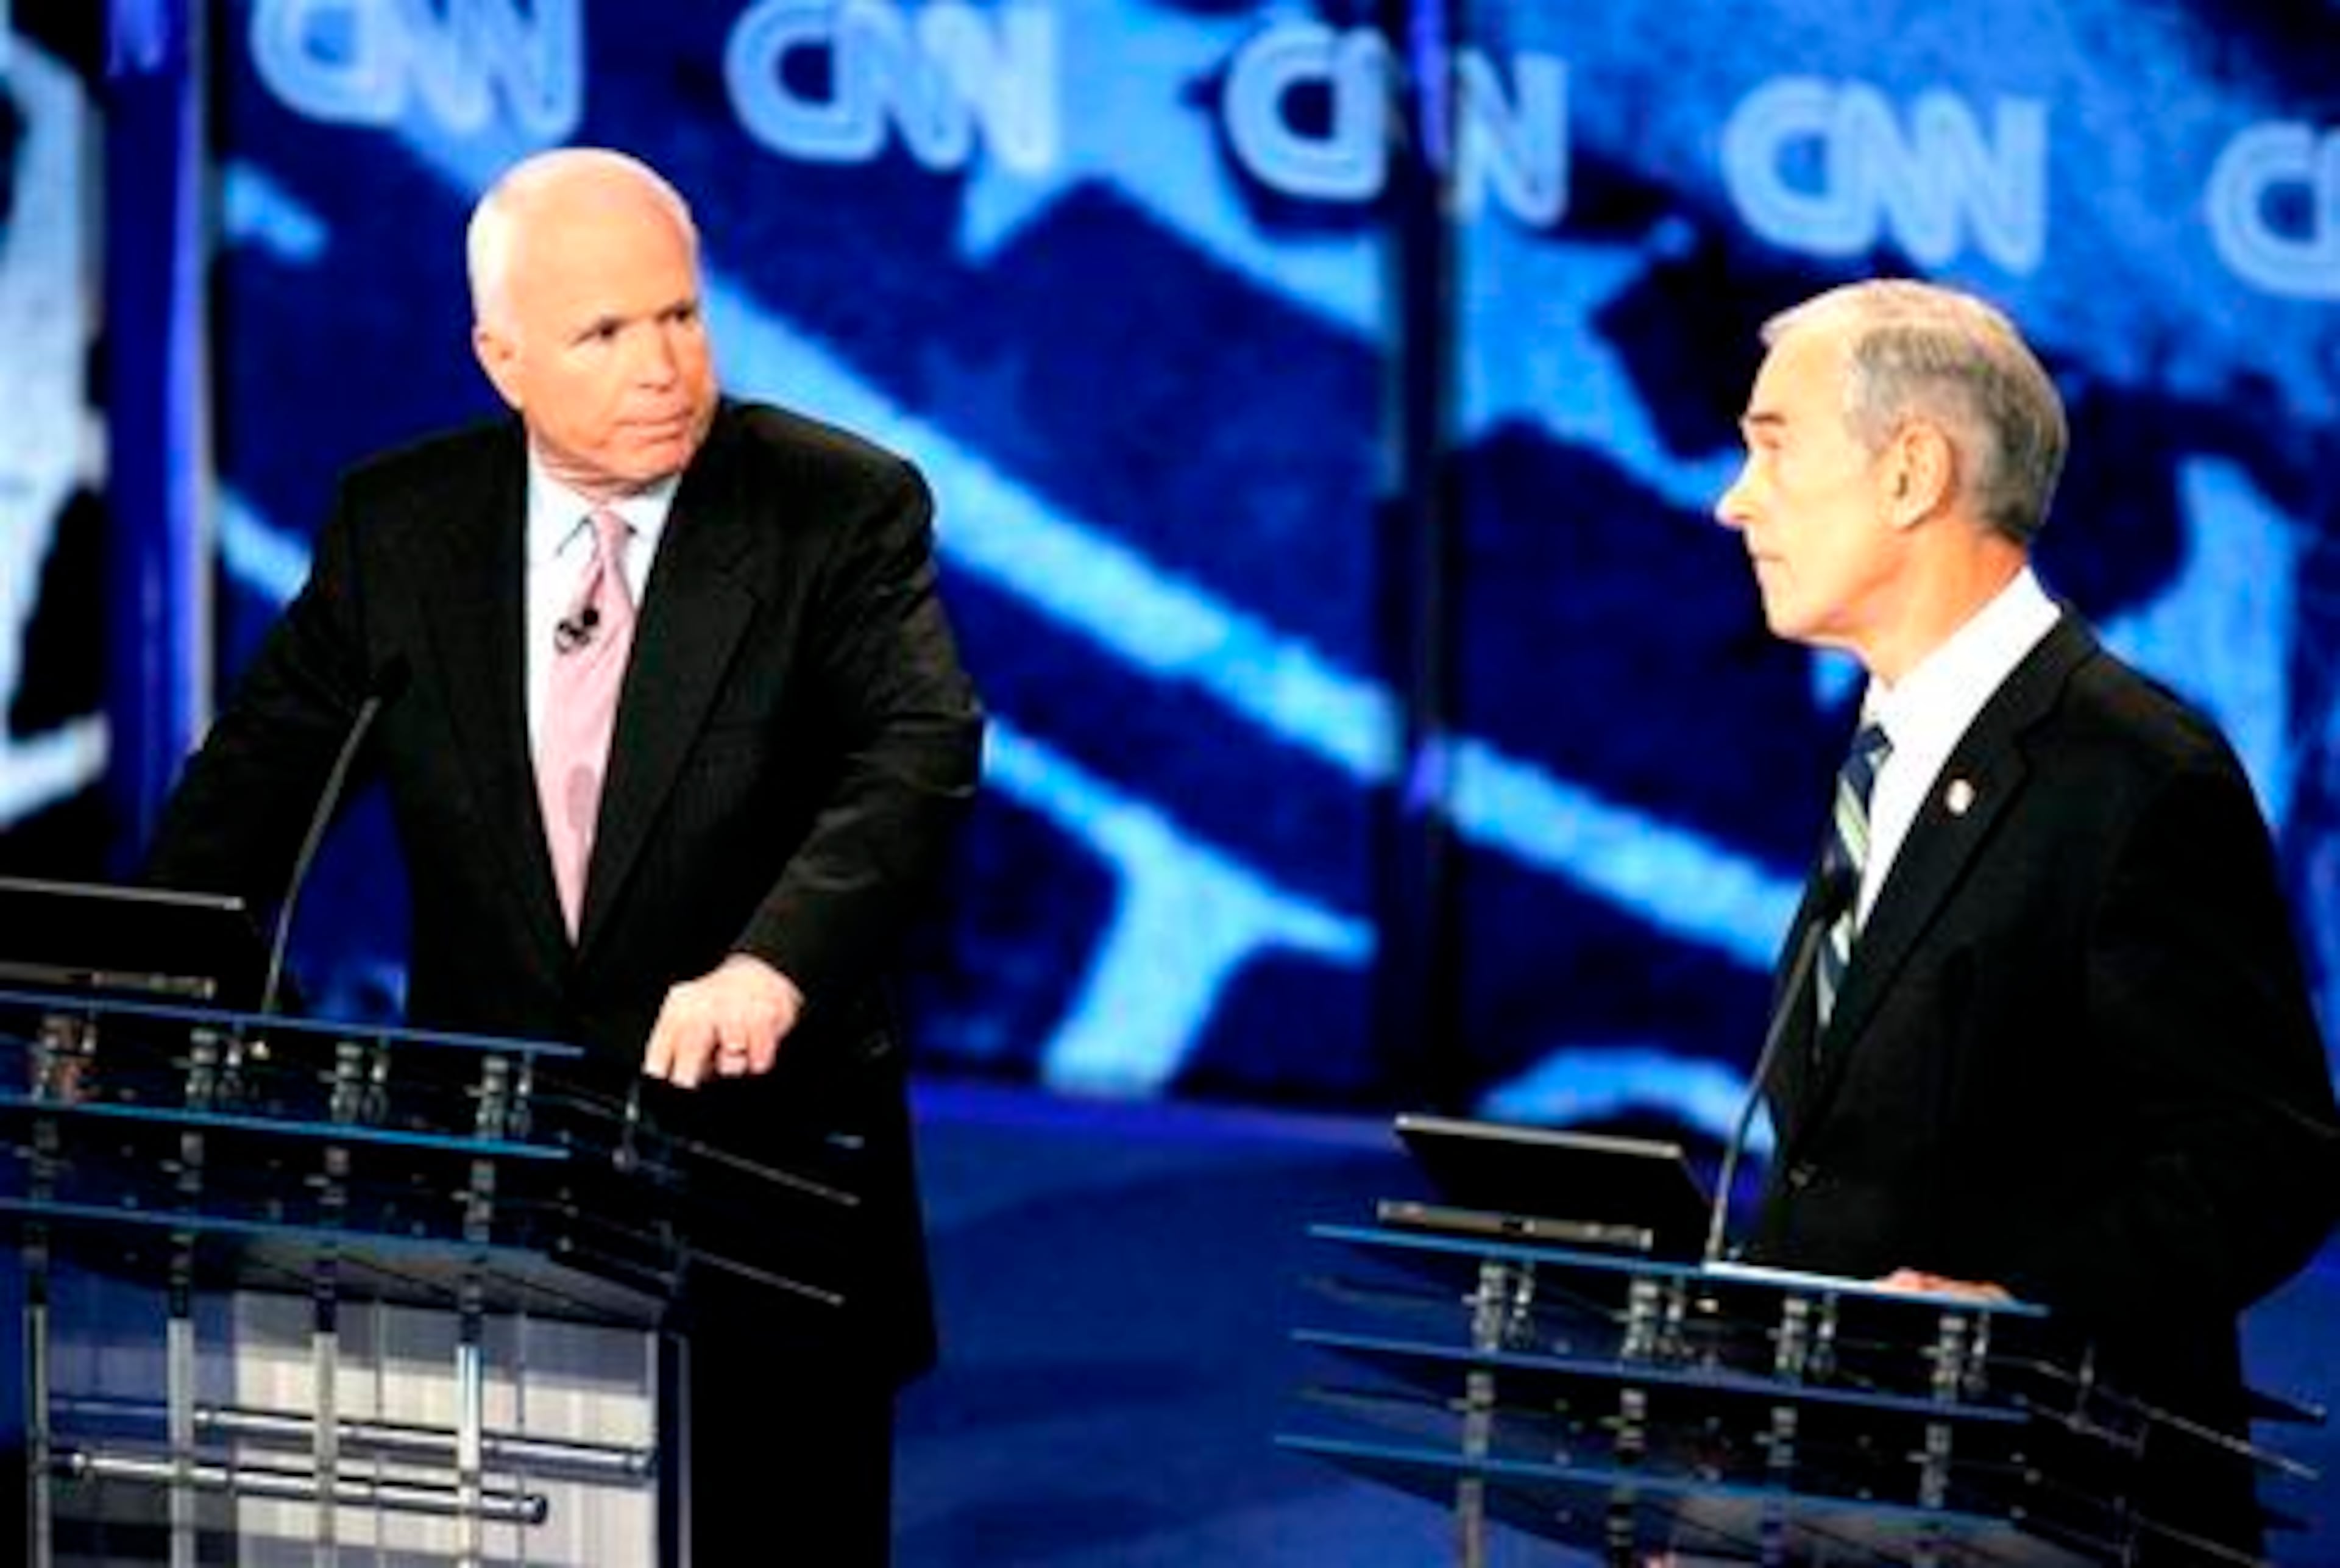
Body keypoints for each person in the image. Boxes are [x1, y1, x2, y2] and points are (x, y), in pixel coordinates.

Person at [144, 146, 984, 1563]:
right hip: (494, 1188)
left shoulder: (836, 507)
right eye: (604, 332)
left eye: (680, 316)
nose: (663, 365)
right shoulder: (401, 528)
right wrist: (153, 985)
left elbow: (915, 762)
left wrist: (773, 965)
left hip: (762, 1184)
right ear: (502, 355)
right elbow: (252, 792)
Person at [1713, 278, 2340, 1559]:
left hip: (2050, 1506)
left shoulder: (2133, 771)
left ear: (1910, 475)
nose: (1736, 499)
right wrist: (1714, 1476)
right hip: (1853, 1496)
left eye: (1773, 446)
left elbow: (2266, 1159)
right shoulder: (1888, 751)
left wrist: (2015, 1305)